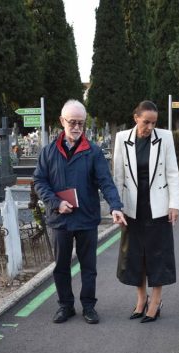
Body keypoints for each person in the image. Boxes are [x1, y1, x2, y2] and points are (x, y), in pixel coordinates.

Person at [33, 99, 127, 324]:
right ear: (61, 121)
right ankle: (65, 306)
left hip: (86, 218)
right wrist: (55, 202)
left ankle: (88, 306)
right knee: (61, 267)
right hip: (60, 219)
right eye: (72, 122)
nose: (76, 128)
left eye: (81, 123)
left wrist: (115, 206)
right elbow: (39, 182)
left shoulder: (92, 152)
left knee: (89, 267)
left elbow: (105, 182)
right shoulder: (48, 152)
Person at [112, 100, 179, 323]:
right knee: (135, 257)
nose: (150, 127)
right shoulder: (122, 139)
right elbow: (118, 177)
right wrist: (117, 207)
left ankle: (155, 302)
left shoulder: (165, 137)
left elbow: (172, 172)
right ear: (136, 118)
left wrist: (174, 204)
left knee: (157, 255)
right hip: (133, 208)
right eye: (146, 122)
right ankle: (141, 300)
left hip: (158, 207)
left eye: (154, 123)